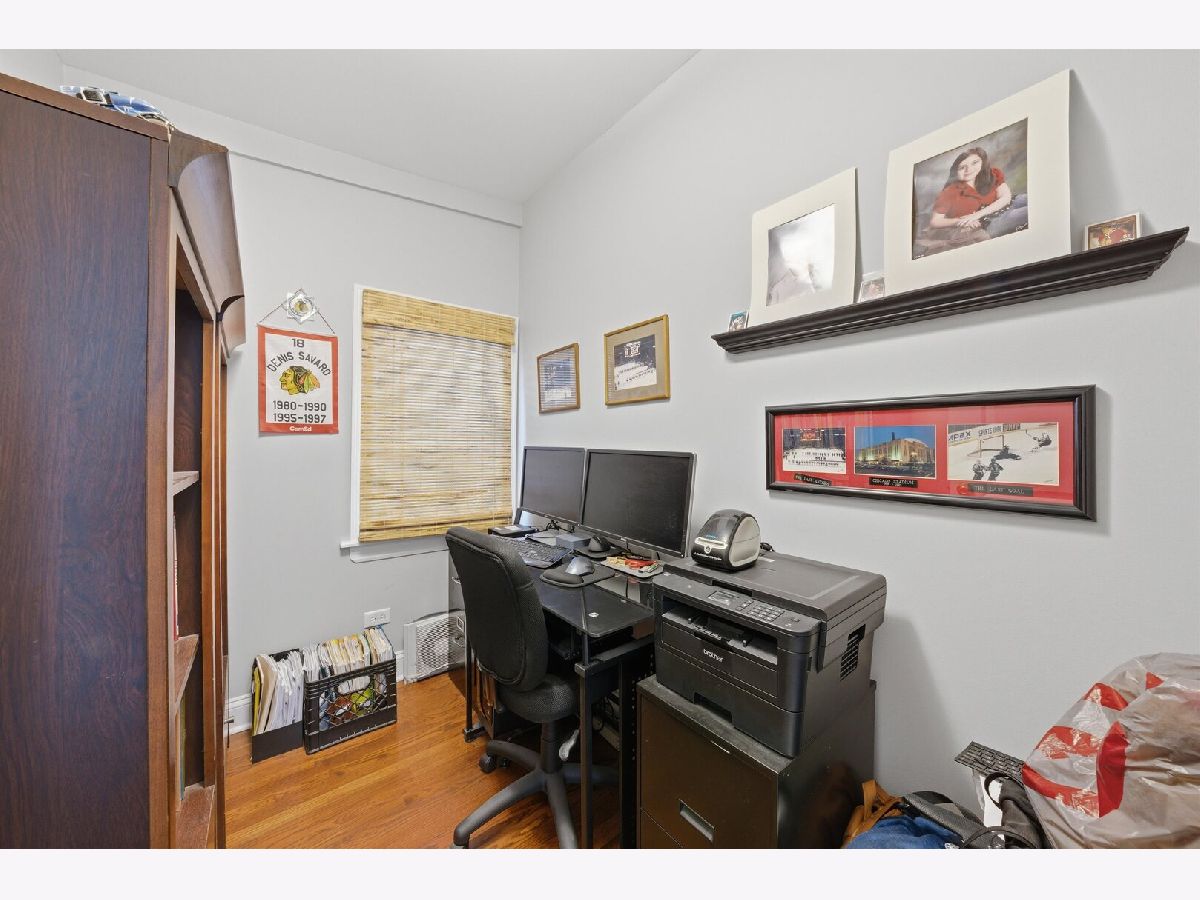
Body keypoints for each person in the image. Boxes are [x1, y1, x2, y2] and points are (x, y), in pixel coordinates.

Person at [915, 147, 1029, 256]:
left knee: (1027, 198)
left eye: (974, 162)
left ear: (982, 162)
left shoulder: (992, 174)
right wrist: (961, 221)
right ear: (955, 171)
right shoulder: (949, 192)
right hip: (990, 221)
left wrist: (975, 215)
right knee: (1028, 211)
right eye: (962, 167)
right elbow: (935, 221)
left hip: (1010, 203)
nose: (969, 169)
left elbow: (1006, 197)